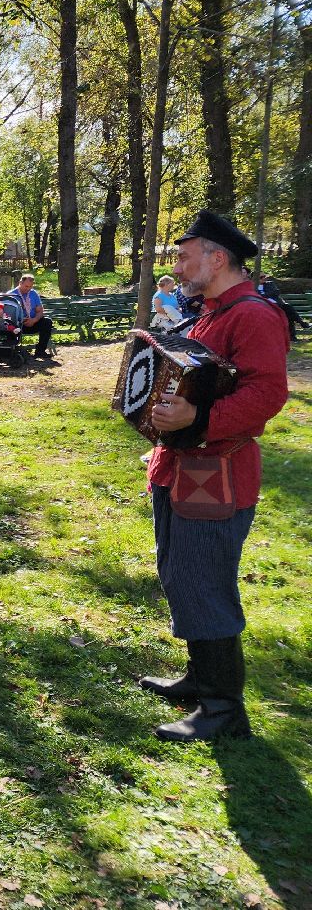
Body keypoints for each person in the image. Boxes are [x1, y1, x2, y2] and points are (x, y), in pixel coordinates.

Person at [138, 211, 289, 742]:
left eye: (185, 256)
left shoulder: (254, 316)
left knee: (206, 584)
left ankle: (224, 710)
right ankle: (201, 679)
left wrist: (199, 421)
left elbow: (267, 395)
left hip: (218, 475)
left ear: (216, 258)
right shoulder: (208, 313)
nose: (177, 266)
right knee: (182, 576)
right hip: (180, 470)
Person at [1, 274, 53, 358]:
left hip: (32, 322)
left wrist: (34, 320)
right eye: (26, 286)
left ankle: (40, 351)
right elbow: (6, 314)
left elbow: (40, 311)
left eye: (30, 287)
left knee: (47, 322)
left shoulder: (33, 294)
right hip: (17, 324)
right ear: (20, 283)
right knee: (7, 324)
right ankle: (11, 351)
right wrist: (21, 320)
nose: (28, 289)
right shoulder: (11, 295)